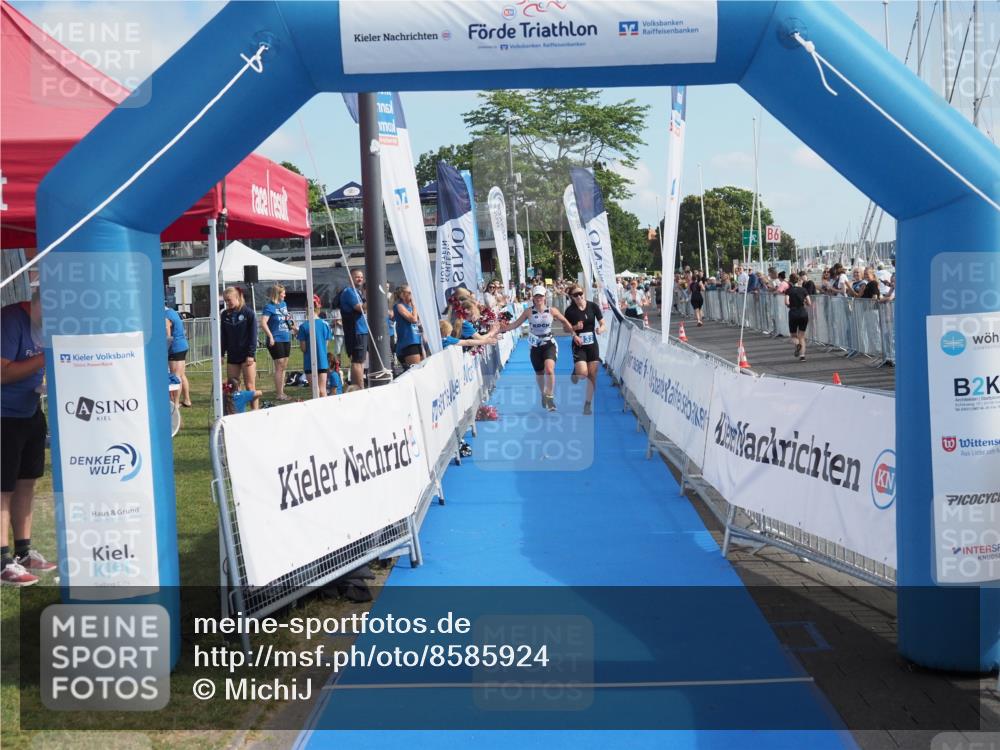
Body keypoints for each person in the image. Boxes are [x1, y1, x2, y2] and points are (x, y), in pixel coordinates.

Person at [1, 295, 56, 585]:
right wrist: (45, 357)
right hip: (4, 416)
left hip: (30, 411)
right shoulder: (10, 320)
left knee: (26, 483)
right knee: (3, 488)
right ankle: (2, 561)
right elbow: (3, 372)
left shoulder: (44, 324)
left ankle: (23, 551)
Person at [503, 286, 574, 412]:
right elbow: (516, 324)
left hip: (549, 343)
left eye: (541, 296)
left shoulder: (552, 311)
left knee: (549, 370)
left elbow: (565, 321)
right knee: (539, 373)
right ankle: (543, 394)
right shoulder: (528, 312)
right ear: (533, 298)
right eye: (536, 296)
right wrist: (501, 329)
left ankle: (550, 397)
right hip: (535, 345)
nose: (539, 298)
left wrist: (573, 333)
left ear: (545, 297)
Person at [563, 283, 605, 415]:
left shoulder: (593, 306)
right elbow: (565, 329)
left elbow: (603, 323)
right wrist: (574, 328)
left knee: (592, 376)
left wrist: (600, 329)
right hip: (579, 344)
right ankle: (576, 372)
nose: (579, 296)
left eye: (581, 293)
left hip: (592, 344)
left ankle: (587, 404)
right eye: (576, 295)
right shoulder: (570, 311)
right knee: (583, 374)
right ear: (572, 297)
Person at [220, 286, 258, 408]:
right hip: (232, 355)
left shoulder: (249, 313)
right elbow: (223, 336)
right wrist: (221, 353)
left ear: (237, 297)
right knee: (232, 387)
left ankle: (255, 413)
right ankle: (236, 412)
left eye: (229, 300)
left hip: (246, 355)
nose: (227, 303)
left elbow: (253, 335)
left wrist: (251, 354)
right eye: (225, 301)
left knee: (250, 386)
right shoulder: (225, 314)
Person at [261, 284, 296, 401]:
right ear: (278, 294)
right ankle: (279, 393)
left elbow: (287, 319)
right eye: (283, 293)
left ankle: (282, 392)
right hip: (276, 338)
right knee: (279, 365)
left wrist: (293, 328)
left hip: (286, 337)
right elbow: (263, 323)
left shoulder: (284, 304)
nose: (285, 295)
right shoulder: (269, 307)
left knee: (284, 365)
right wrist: (270, 336)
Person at [339, 270, 369, 389]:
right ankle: (360, 388)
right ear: (350, 278)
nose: (360, 279)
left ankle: (356, 387)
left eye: (361, 277)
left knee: (360, 360)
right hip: (356, 331)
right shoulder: (349, 292)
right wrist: (371, 297)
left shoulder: (357, 292)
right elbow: (360, 308)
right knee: (358, 361)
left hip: (361, 330)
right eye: (357, 277)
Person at [297, 295, 332, 397]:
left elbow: (303, 348)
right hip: (322, 361)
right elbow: (326, 344)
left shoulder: (303, 326)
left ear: (306, 308)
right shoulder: (325, 324)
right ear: (318, 307)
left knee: (315, 391)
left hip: (309, 362)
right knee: (323, 390)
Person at [164, 304, 191, 408]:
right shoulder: (172, 311)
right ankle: (187, 400)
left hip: (175, 347)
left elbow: (167, 333)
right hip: (182, 346)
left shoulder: (165, 315)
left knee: (176, 377)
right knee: (181, 375)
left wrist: (164, 347)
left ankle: (175, 403)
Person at [393, 284, 423, 370]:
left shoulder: (411, 307)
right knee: (415, 370)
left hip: (417, 340)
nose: (412, 295)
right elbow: (413, 319)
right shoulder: (399, 306)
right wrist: (414, 305)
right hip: (409, 342)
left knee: (421, 369)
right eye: (409, 293)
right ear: (402, 295)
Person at [785, 273, 812, 362]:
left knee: (793, 335)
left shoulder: (788, 290)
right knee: (802, 336)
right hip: (803, 313)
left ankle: (797, 345)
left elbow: (786, 302)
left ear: (790, 281)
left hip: (793, 313)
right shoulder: (804, 290)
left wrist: (790, 305)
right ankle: (802, 356)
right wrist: (805, 303)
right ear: (798, 280)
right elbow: (809, 302)